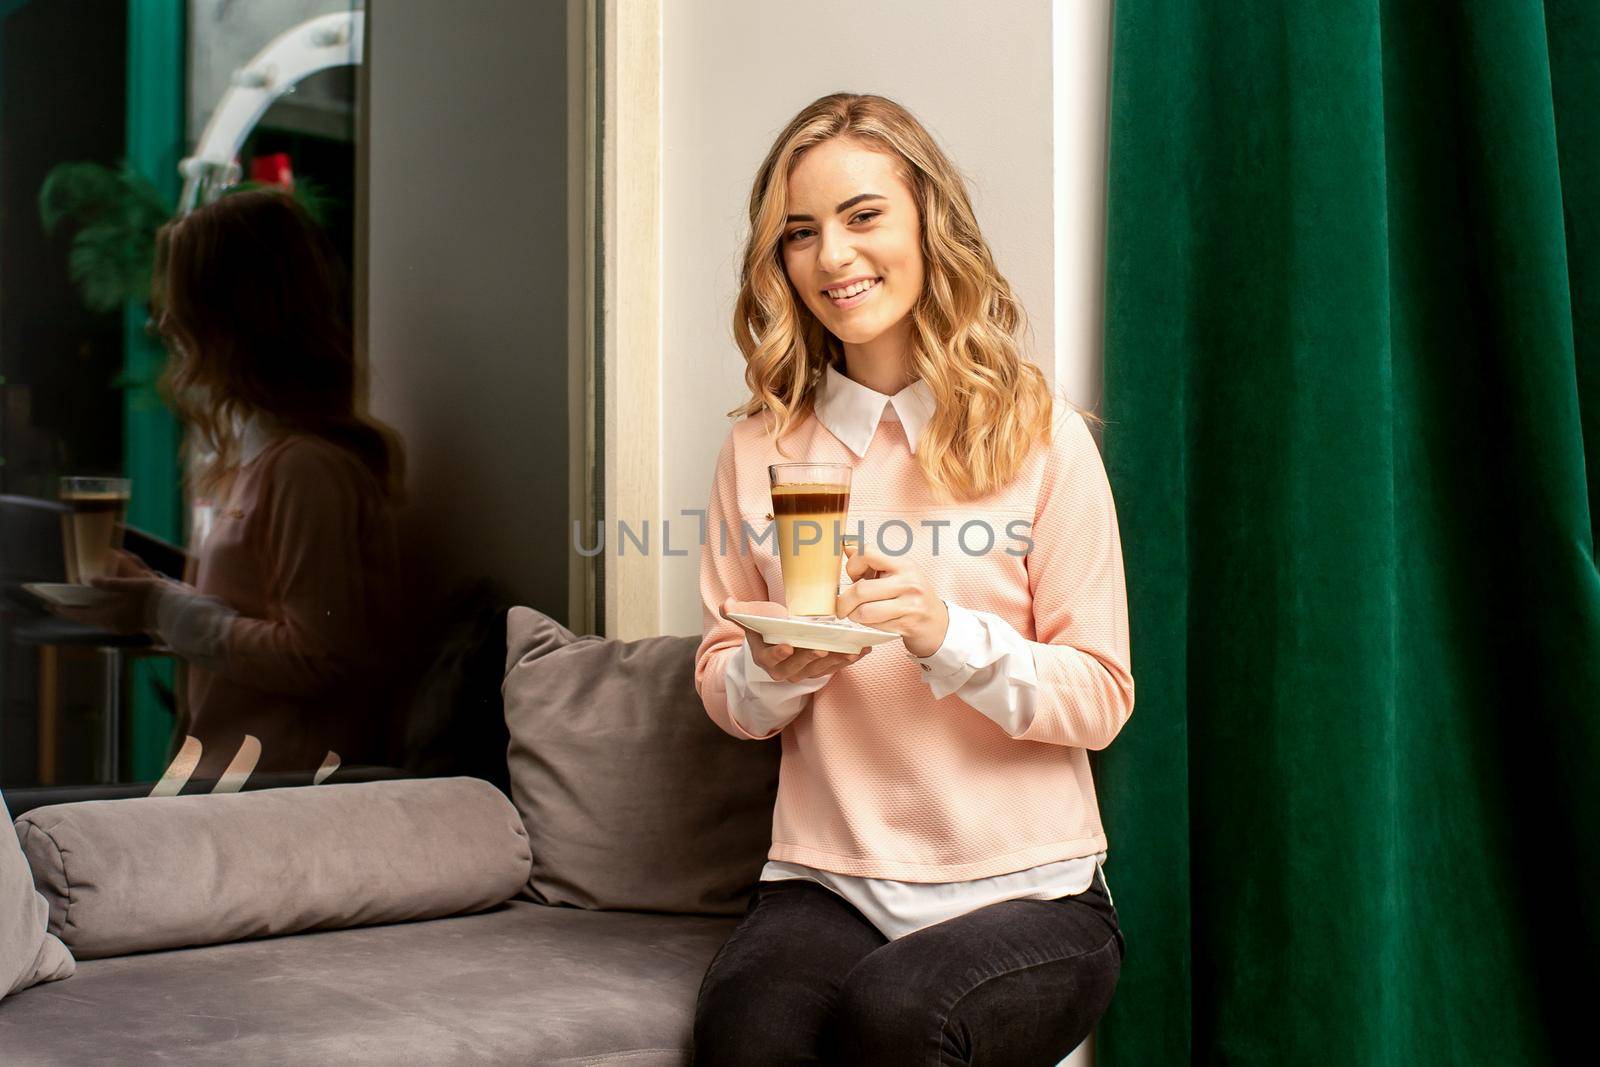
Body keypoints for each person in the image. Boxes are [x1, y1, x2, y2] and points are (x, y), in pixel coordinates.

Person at [692, 93, 1135, 1065]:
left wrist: (947, 635)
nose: (832, 257)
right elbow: (727, 685)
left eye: (862, 216)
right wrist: (777, 664)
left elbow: (1101, 698)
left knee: (899, 1016)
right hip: (826, 880)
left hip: (1034, 890)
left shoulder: (1037, 430)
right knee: (742, 1037)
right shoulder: (761, 444)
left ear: (926, 222)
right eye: (799, 233)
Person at [52, 188, 406, 784]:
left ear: (234, 316)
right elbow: (245, 615)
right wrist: (152, 597)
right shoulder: (260, 461)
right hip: (230, 785)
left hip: (272, 796)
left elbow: (319, 656)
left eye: (180, 302)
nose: (162, 322)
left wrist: (160, 605)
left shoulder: (307, 470)